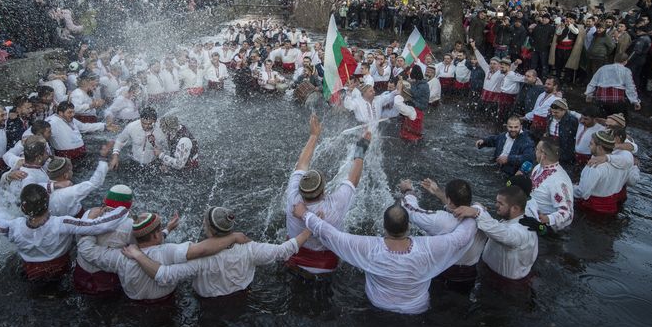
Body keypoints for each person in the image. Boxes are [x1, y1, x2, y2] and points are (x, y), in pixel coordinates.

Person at [291, 200, 477, 314]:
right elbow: (462, 237)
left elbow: (331, 234)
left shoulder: (370, 249)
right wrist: (476, 211)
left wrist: (304, 214)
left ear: (384, 227)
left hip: (377, 308)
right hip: (416, 310)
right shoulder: (429, 248)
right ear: (408, 227)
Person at [123, 206, 312, 298]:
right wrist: (310, 228)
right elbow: (284, 250)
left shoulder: (201, 261)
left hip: (210, 307)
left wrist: (138, 254)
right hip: (242, 299)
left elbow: (164, 275)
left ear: (210, 230)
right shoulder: (250, 249)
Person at [78, 210, 250, 302]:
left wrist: (90, 223)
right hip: (167, 305)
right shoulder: (167, 252)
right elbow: (202, 250)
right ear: (154, 236)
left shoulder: (120, 256)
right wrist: (233, 236)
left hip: (135, 308)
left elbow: (86, 250)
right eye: (159, 230)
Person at [0, 178, 128, 282]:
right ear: (48, 203)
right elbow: (96, 227)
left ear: (22, 207)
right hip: (61, 272)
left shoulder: (14, 227)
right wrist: (120, 210)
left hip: (31, 275)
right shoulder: (61, 223)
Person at [285, 115, 369, 277]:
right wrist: (362, 146)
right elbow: (353, 179)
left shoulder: (293, 197)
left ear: (300, 187)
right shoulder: (335, 203)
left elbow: (302, 163)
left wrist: (314, 135)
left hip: (293, 256)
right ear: (324, 191)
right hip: (324, 264)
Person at [399, 178, 488, 289]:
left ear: (449, 200)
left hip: (444, 270)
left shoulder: (439, 220)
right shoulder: (482, 215)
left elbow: (411, 211)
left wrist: (408, 190)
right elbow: (457, 206)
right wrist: (438, 193)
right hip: (469, 274)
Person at [452, 185, 538, 282]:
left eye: (500, 203)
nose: (496, 205)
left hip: (506, 285)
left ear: (515, 208)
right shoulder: (513, 217)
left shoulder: (523, 231)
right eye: (496, 201)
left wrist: (477, 213)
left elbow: (504, 234)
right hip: (489, 273)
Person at [72, 184, 135, 295]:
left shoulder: (90, 213)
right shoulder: (130, 225)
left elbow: (79, 238)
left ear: (105, 200)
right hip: (106, 278)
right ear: (131, 205)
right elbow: (138, 249)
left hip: (81, 273)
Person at [44, 143, 113, 217]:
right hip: (76, 220)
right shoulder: (69, 192)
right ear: (65, 175)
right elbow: (95, 183)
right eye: (70, 170)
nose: (72, 171)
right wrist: (103, 158)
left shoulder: (42, 187)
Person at [574, 131, 632, 215]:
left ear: (600, 148)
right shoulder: (624, 161)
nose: (588, 146)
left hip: (592, 209)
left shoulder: (594, 166)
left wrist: (570, 188)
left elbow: (583, 193)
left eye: (591, 144)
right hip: (612, 207)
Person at [525, 138, 574, 232]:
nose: (534, 151)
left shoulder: (559, 182)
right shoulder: (538, 167)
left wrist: (548, 219)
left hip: (542, 228)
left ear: (543, 155)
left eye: (536, 149)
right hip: (529, 215)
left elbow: (568, 213)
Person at [47, 102, 112, 160]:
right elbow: (41, 136)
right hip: (66, 158)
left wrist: (104, 126)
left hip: (81, 154)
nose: (73, 115)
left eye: (73, 112)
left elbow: (84, 127)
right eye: (69, 112)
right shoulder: (51, 122)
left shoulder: (71, 119)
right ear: (60, 113)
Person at [585, 53, 642, 120]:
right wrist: (635, 101)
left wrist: (589, 95)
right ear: (625, 61)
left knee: (600, 120)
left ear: (614, 59)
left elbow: (593, 82)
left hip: (601, 99)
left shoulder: (603, 68)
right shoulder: (626, 71)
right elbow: (630, 87)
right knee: (618, 121)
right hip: (617, 100)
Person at [109, 106, 165, 171]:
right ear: (140, 119)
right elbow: (120, 140)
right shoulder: (132, 127)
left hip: (152, 164)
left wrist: (164, 163)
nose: (146, 126)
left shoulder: (161, 132)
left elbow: (166, 149)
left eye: (150, 124)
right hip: (134, 162)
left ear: (155, 121)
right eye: (143, 123)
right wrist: (115, 156)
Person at [545, 99, 578, 167]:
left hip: (564, 150)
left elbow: (572, 138)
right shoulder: (550, 116)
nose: (553, 114)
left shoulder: (572, 120)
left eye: (556, 112)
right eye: (552, 112)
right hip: (551, 146)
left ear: (564, 111)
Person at [572, 105, 605, 170]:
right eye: (582, 117)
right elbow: (574, 113)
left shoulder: (601, 129)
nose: (582, 121)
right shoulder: (581, 121)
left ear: (595, 119)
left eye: (586, 119)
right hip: (575, 157)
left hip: (588, 159)